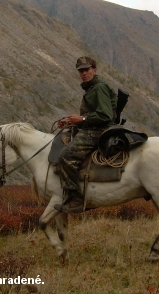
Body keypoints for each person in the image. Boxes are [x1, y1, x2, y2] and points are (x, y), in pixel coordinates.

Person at [54, 56, 117, 213]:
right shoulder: (91, 88)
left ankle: (75, 199)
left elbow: (105, 116)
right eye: (81, 71)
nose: (84, 73)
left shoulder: (99, 88)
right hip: (94, 127)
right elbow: (93, 115)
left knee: (65, 157)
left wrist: (81, 118)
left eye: (87, 70)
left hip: (99, 130)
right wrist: (72, 122)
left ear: (94, 71)